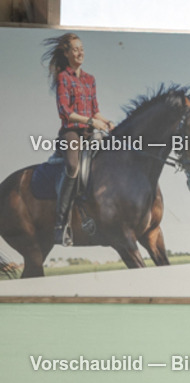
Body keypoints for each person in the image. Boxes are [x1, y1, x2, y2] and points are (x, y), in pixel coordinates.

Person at [43, 32, 114, 245]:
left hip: (89, 132)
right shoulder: (63, 78)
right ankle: (60, 224)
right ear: (66, 54)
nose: (80, 52)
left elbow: (95, 111)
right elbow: (65, 112)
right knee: (73, 167)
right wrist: (90, 121)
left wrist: (108, 122)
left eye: (81, 48)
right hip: (71, 132)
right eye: (75, 49)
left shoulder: (90, 79)